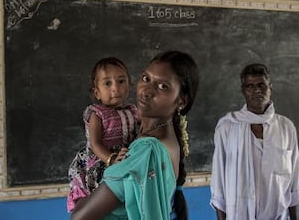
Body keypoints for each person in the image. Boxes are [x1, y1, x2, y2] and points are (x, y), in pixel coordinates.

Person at [70, 50, 200, 220]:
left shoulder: (147, 150)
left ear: (181, 100)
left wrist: (80, 202)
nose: (147, 91)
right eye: (146, 79)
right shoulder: (158, 137)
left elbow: (79, 217)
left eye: (163, 86)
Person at [210, 63, 299, 220]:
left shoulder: (286, 127)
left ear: (270, 88)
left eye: (262, 85)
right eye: (250, 86)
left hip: (278, 215)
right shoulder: (227, 126)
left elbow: (293, 182)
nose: (257, 90)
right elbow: (218, 183)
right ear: (243, 91)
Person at [67, 57, 138, 212]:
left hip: (125, 159)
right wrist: (111, 159)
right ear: (96, 92)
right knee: (99, 205)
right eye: (107, 83)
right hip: (102, 160)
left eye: (121, 81)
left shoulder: (133, 111)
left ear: (129, 86)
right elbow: (95, 143)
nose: (115, 88)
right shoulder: (97, 114)